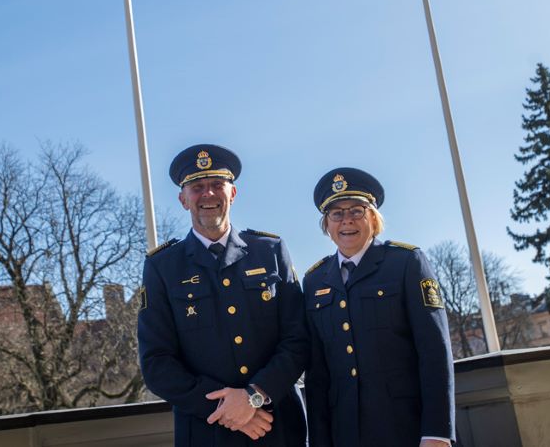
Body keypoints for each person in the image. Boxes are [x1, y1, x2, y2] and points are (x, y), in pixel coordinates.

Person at [138, 144, 308, 446]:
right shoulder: (162, 266)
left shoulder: (270, 251)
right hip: (207, 432)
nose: (208, 194)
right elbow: (157, 363)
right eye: (197, 187)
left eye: (218, 185)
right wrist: (223, 408)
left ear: (233, 193)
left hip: (277, 426)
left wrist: (254, 396)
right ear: (183, 199)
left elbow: (298, 339)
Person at [303, 167, 455, 447]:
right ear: (327, 224)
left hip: (406, 429)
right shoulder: (314, 280)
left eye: (356, 211)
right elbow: (317, 375)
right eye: (336, 214)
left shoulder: (406, 263)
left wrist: (437, 432)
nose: (346, 221)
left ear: (373, 217)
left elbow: (434, 352)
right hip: (344, 434)